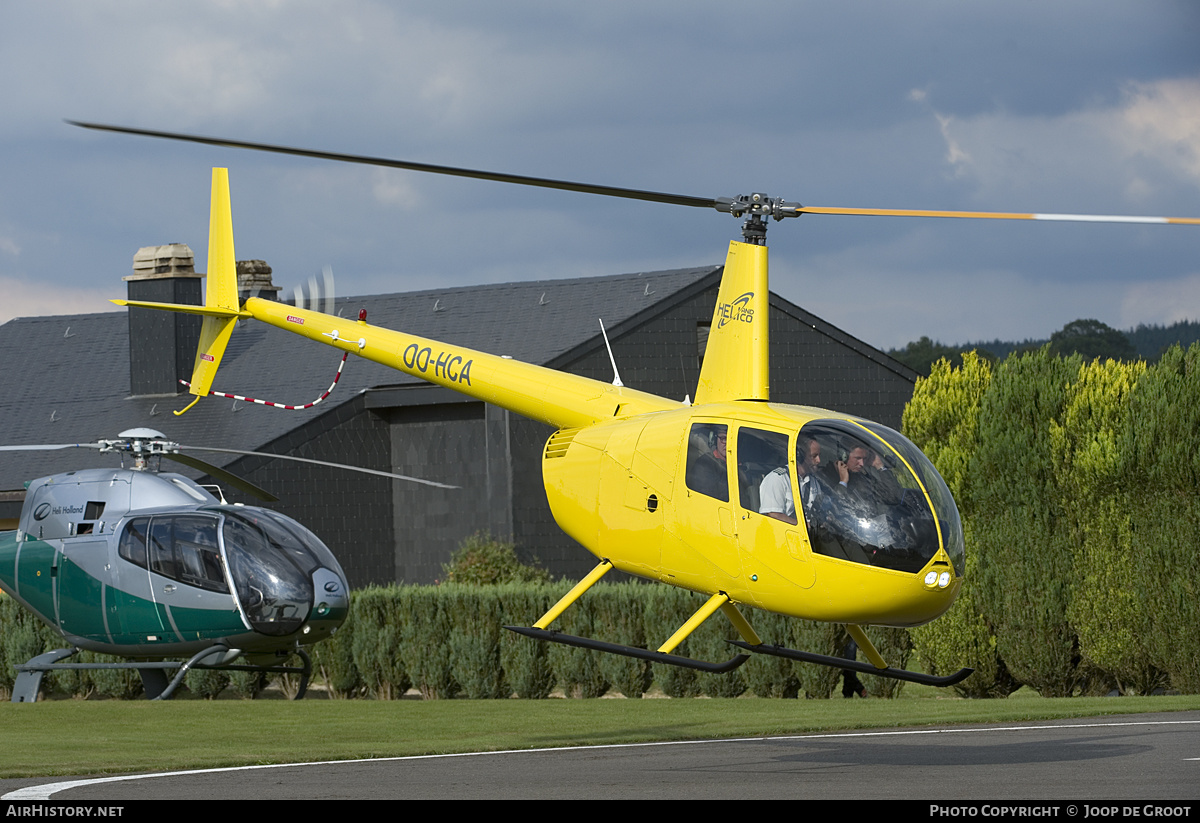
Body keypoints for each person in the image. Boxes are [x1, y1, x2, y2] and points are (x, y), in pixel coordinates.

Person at [759, 435, 822, 525]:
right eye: (814, 456)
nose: (818, 460)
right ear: (799, 456)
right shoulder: (777, 479)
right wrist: (804, 526)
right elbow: (774, 515)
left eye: (819, 455)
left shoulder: (814, 482)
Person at [686, 424, 729, 502]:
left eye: (731, 439)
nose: (728, 443)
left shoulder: (740, 466)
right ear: (714, 440)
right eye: (724, 438)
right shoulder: (705, 464)